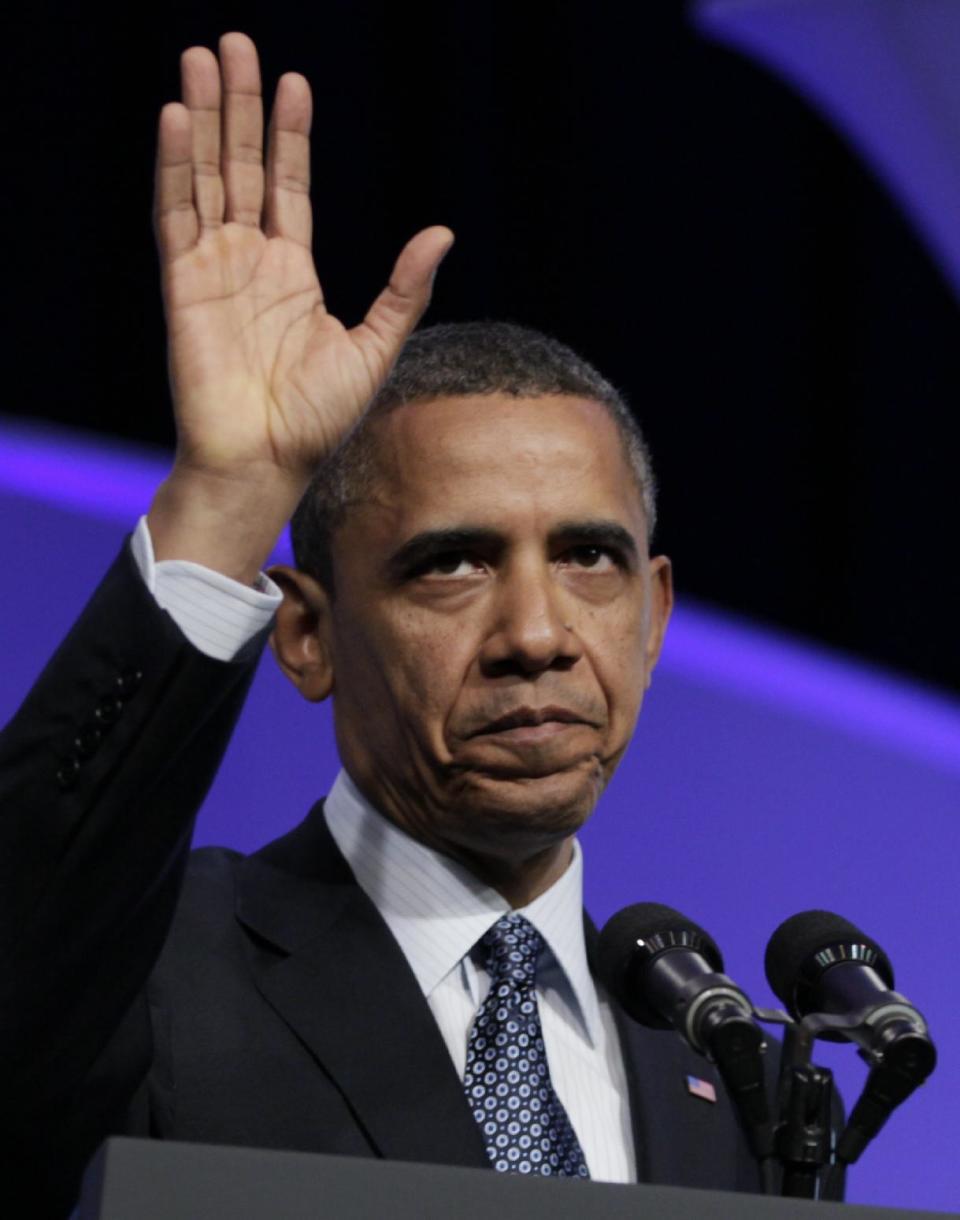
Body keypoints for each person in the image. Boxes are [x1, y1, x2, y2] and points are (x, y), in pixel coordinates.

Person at [0, 32, 769, 1218]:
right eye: (453, 564)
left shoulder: (712, 1059)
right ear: (305, 633)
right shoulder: (156, 963)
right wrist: (230, 491)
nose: (537, 631)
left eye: (588, 558)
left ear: (655, 615)